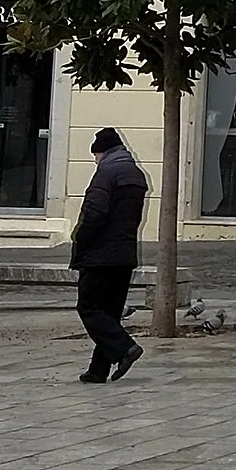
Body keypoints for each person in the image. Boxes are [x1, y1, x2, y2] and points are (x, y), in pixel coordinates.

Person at [71, 126, 148, 382]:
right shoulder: (135, 174)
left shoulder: (105, 174)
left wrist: (79, 237)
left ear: (101, 152)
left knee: (89, 308)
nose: (94, 161)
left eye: (95, 155)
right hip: (124, 253)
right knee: (110, 312)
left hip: (100, 254)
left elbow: (95, 213)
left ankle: (126, 348)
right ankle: (98, 370)